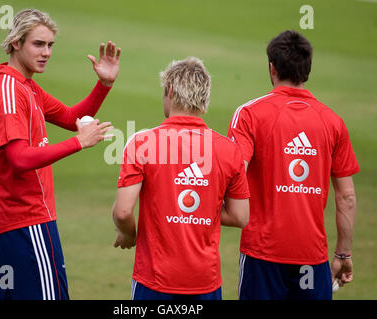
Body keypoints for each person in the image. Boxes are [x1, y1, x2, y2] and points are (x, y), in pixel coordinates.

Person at [0, 9, 120, 299]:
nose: (46, 52)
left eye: (50, 45)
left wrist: (104, 84)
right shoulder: (10, 91)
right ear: (16, 43)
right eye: (38, 44)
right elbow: (19, 159)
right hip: (26, 221)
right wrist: (78, 144)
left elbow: (72, 117)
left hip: (21, 222)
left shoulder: (26, 87)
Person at [228, 30, 360, 300]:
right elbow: (346, 196)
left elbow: (233, 173)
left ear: (272, 68)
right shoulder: (333, 122)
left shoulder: (250, 114)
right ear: (307, 69)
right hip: (311, 257)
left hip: (262, 255)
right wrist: (343, 254)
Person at [112, 57, 250, 300]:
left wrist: (128, 234)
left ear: (171, 91)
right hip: (205, 281)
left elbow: (123, 212)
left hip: (154, 281)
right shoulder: (229, 150)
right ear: (204, 98)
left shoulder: (143, 143)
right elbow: (240, 216)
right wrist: (202, 211)